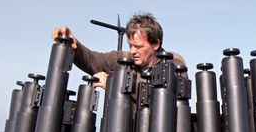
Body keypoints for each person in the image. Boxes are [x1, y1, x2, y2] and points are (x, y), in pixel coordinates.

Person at [51, 12, 186, 86]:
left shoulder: (173, 62)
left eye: (138, 47)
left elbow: (159, 93)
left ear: (156, 44)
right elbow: (93, 61)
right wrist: (74, 46)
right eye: (130, 45)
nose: (133, 51)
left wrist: (113, 83)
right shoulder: (125, 59)